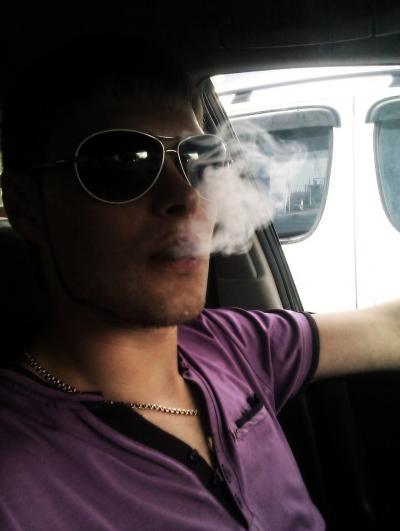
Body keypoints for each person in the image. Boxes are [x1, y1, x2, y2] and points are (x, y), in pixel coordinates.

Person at [0, 36, 399, 531]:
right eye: (123, 163)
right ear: (26, 206)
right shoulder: (16, 481)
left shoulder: (232, 344)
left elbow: (391, 327)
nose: (188, 196)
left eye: (201, 159)